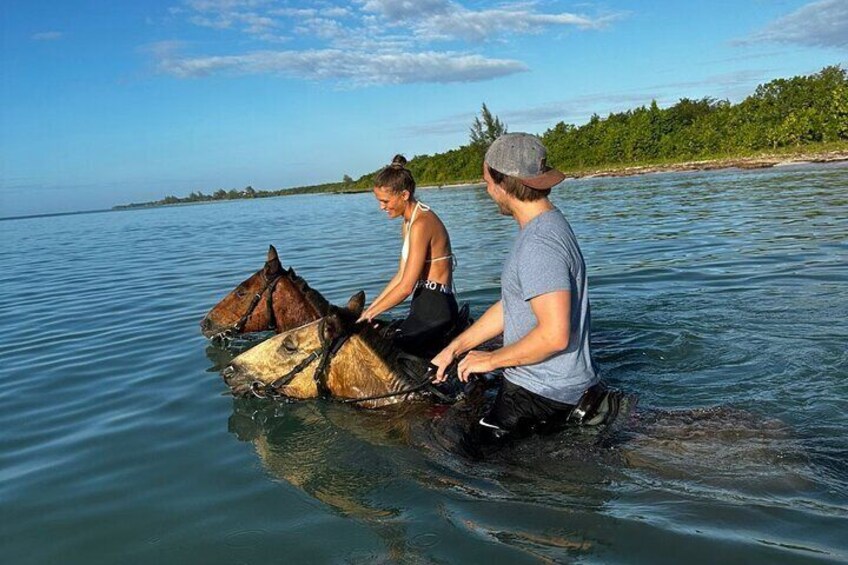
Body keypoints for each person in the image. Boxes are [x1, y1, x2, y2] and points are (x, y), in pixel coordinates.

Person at [432, 133, 611, 440]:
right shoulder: (549, 224)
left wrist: (489, 360)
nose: (487, 190)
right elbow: (513, 305)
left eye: (487, 181)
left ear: (504, 183)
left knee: (454, 458)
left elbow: (554, 336)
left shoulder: (538, 243)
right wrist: (455, 348)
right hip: (554, 386)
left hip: (542, 394)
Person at [357, 155, 461, 358]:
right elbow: (400, 276)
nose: (382, 207)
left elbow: (406, 287)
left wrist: (371, 314)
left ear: (404, 194)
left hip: (436, 307)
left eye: (385, 201)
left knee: (388, 354)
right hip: (422, 302)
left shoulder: (422, 223)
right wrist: (369, 311)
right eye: (379, 201)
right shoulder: (408, 222)